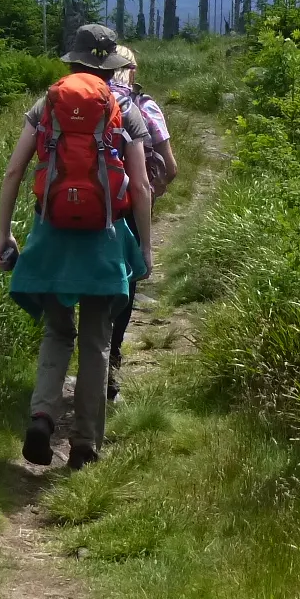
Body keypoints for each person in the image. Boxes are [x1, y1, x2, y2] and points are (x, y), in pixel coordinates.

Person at [0, 23, 154, 470]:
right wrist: (145, 248)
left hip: (51, 235)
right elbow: (140, 186)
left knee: (57, 331)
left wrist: (4, 233)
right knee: (97, 341)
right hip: (104, 239)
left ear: (76, 58)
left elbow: (13, 173)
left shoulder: (48, 102)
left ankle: (43, 417)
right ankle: (84, 445)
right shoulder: (126, 106)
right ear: (111, 65)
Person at [108, 48, 175, 401]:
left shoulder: (85, 100)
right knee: (125, 284)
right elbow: (172, 166)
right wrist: (152, 194)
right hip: (128, 210)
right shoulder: (143, 106)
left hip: (73, 209)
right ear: (132, 70)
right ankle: (111, 366)